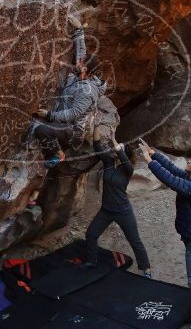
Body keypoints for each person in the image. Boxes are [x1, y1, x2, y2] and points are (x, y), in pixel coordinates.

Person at [140, 139, 191, 329]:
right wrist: (154, 153)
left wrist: (149, 162)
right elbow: (172, 169)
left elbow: (171, 180)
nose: (189, 161)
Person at [32, 21, 106, 168]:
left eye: (82, 64)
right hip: (63, 122)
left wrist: (49, 115)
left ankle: (58, 154)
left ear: (87, 70)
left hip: (73, 131)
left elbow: (73, 113)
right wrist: (79, 31)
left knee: (40, 129)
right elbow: (81, 54)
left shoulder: (87, 91)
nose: (78, 63)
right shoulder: (82, 74)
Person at [84, 141, 152, 277]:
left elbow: (124, 159)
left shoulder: (128, 169)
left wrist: (117, 144)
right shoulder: (109, 163)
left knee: (135, 240)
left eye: (119, 148)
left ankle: (146, 270)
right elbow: (98, 146)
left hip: (123, 211)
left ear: (124, 153)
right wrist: (96, 128)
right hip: (106, 211)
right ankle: (92, 261)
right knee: (91, 234)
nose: (115, 149)